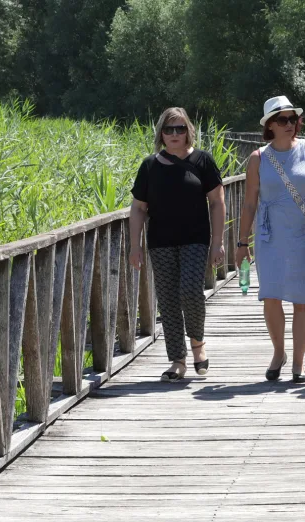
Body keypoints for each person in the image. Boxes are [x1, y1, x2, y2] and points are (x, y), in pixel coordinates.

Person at [234, 96, 305, 384]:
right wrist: (242, 243)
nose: (290, 124)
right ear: (269, 126)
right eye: (282, 120)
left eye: (293, 119)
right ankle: (279, 353)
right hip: (269, 235)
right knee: (271, 295)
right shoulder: (258, 158)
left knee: (302, 300)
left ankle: (298, 364)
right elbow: (250, 203)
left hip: (303, 233)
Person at [128, 107, 227, 382]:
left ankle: (198, 345)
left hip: (195, 240)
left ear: (188, 131)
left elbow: (217, 202)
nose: (174, 134)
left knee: (190, 292)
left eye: (180, 128)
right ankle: (177, 361)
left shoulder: (202, 161)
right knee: (169, 301)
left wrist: (217, 242)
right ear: (161, 132)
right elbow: (138, 208)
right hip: (160, 242)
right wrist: (134, 246)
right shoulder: (150, 165)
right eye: (169, 129)